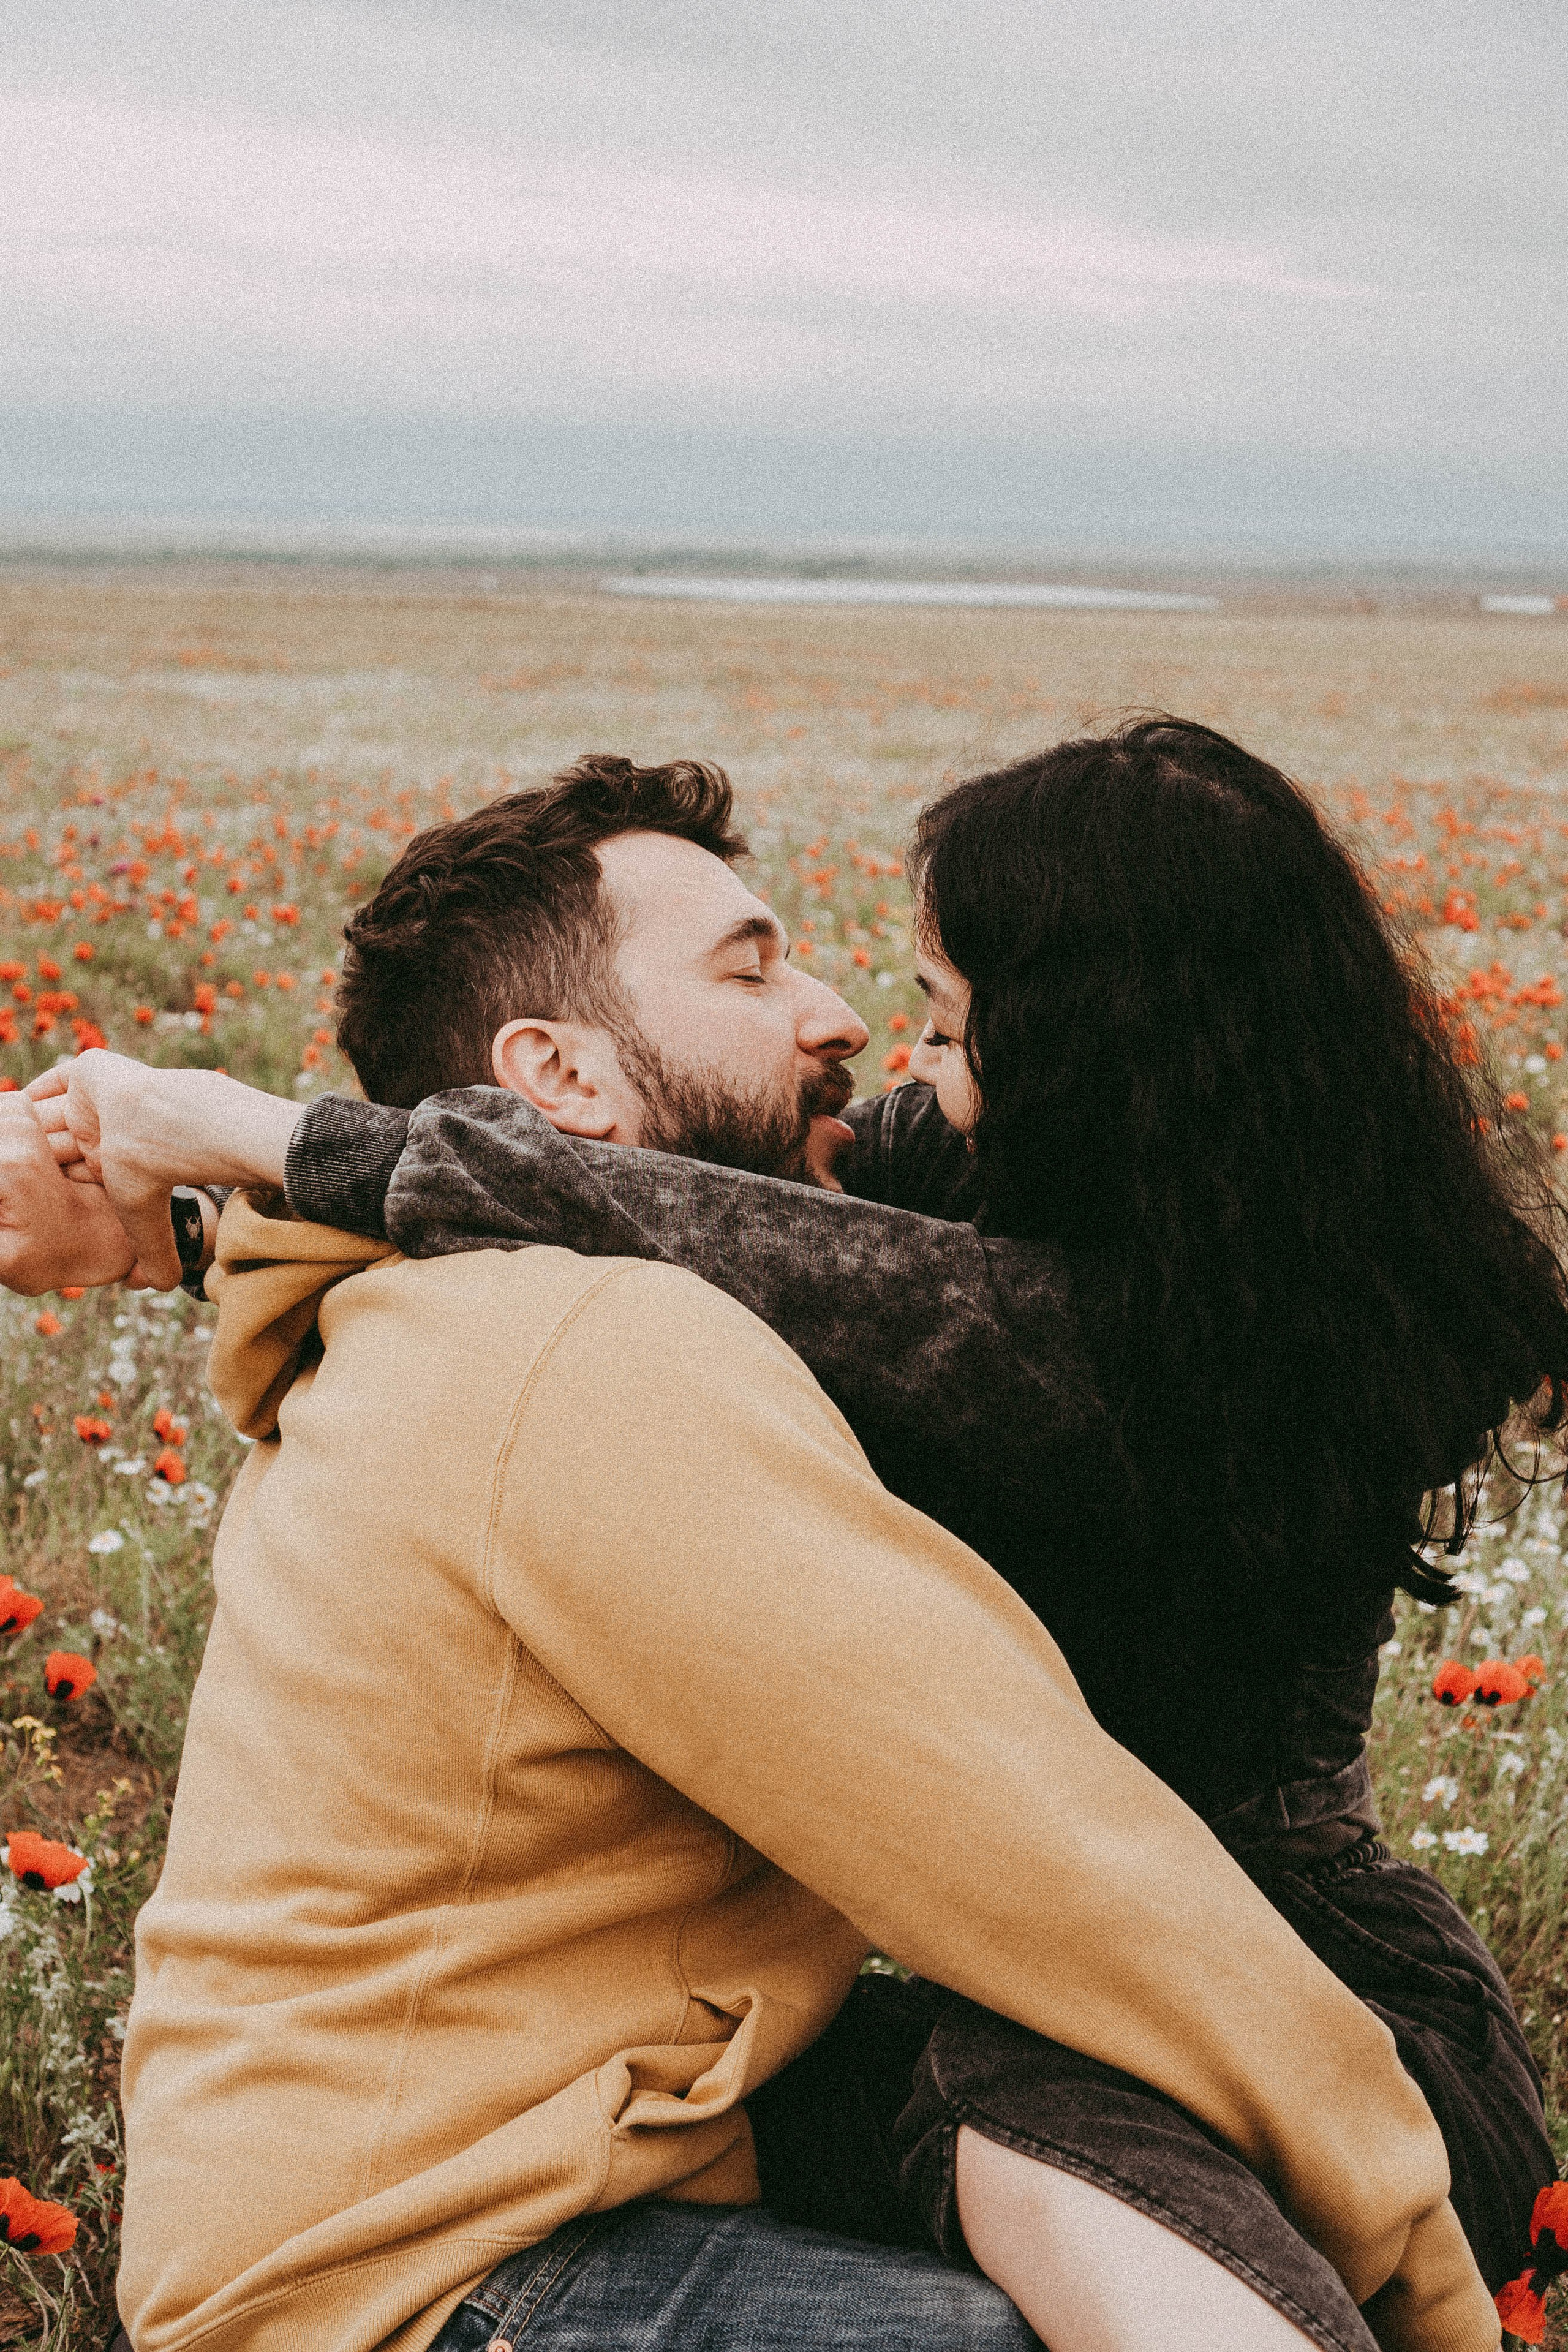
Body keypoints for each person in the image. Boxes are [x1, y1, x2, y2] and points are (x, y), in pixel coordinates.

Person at [9, 751, 1511, 2352]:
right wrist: (185, 1224)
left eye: (945, 1012)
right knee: (1002, 2114)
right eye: (758, 965)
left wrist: (225, 1146)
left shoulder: (1156, 1336)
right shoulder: (612, 1334)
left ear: (1093, 1043)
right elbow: (690, 1233)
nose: (864, 1029)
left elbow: (770, 1257)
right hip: (537, 2220)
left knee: (1011, 2104)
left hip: (1280, 2009)